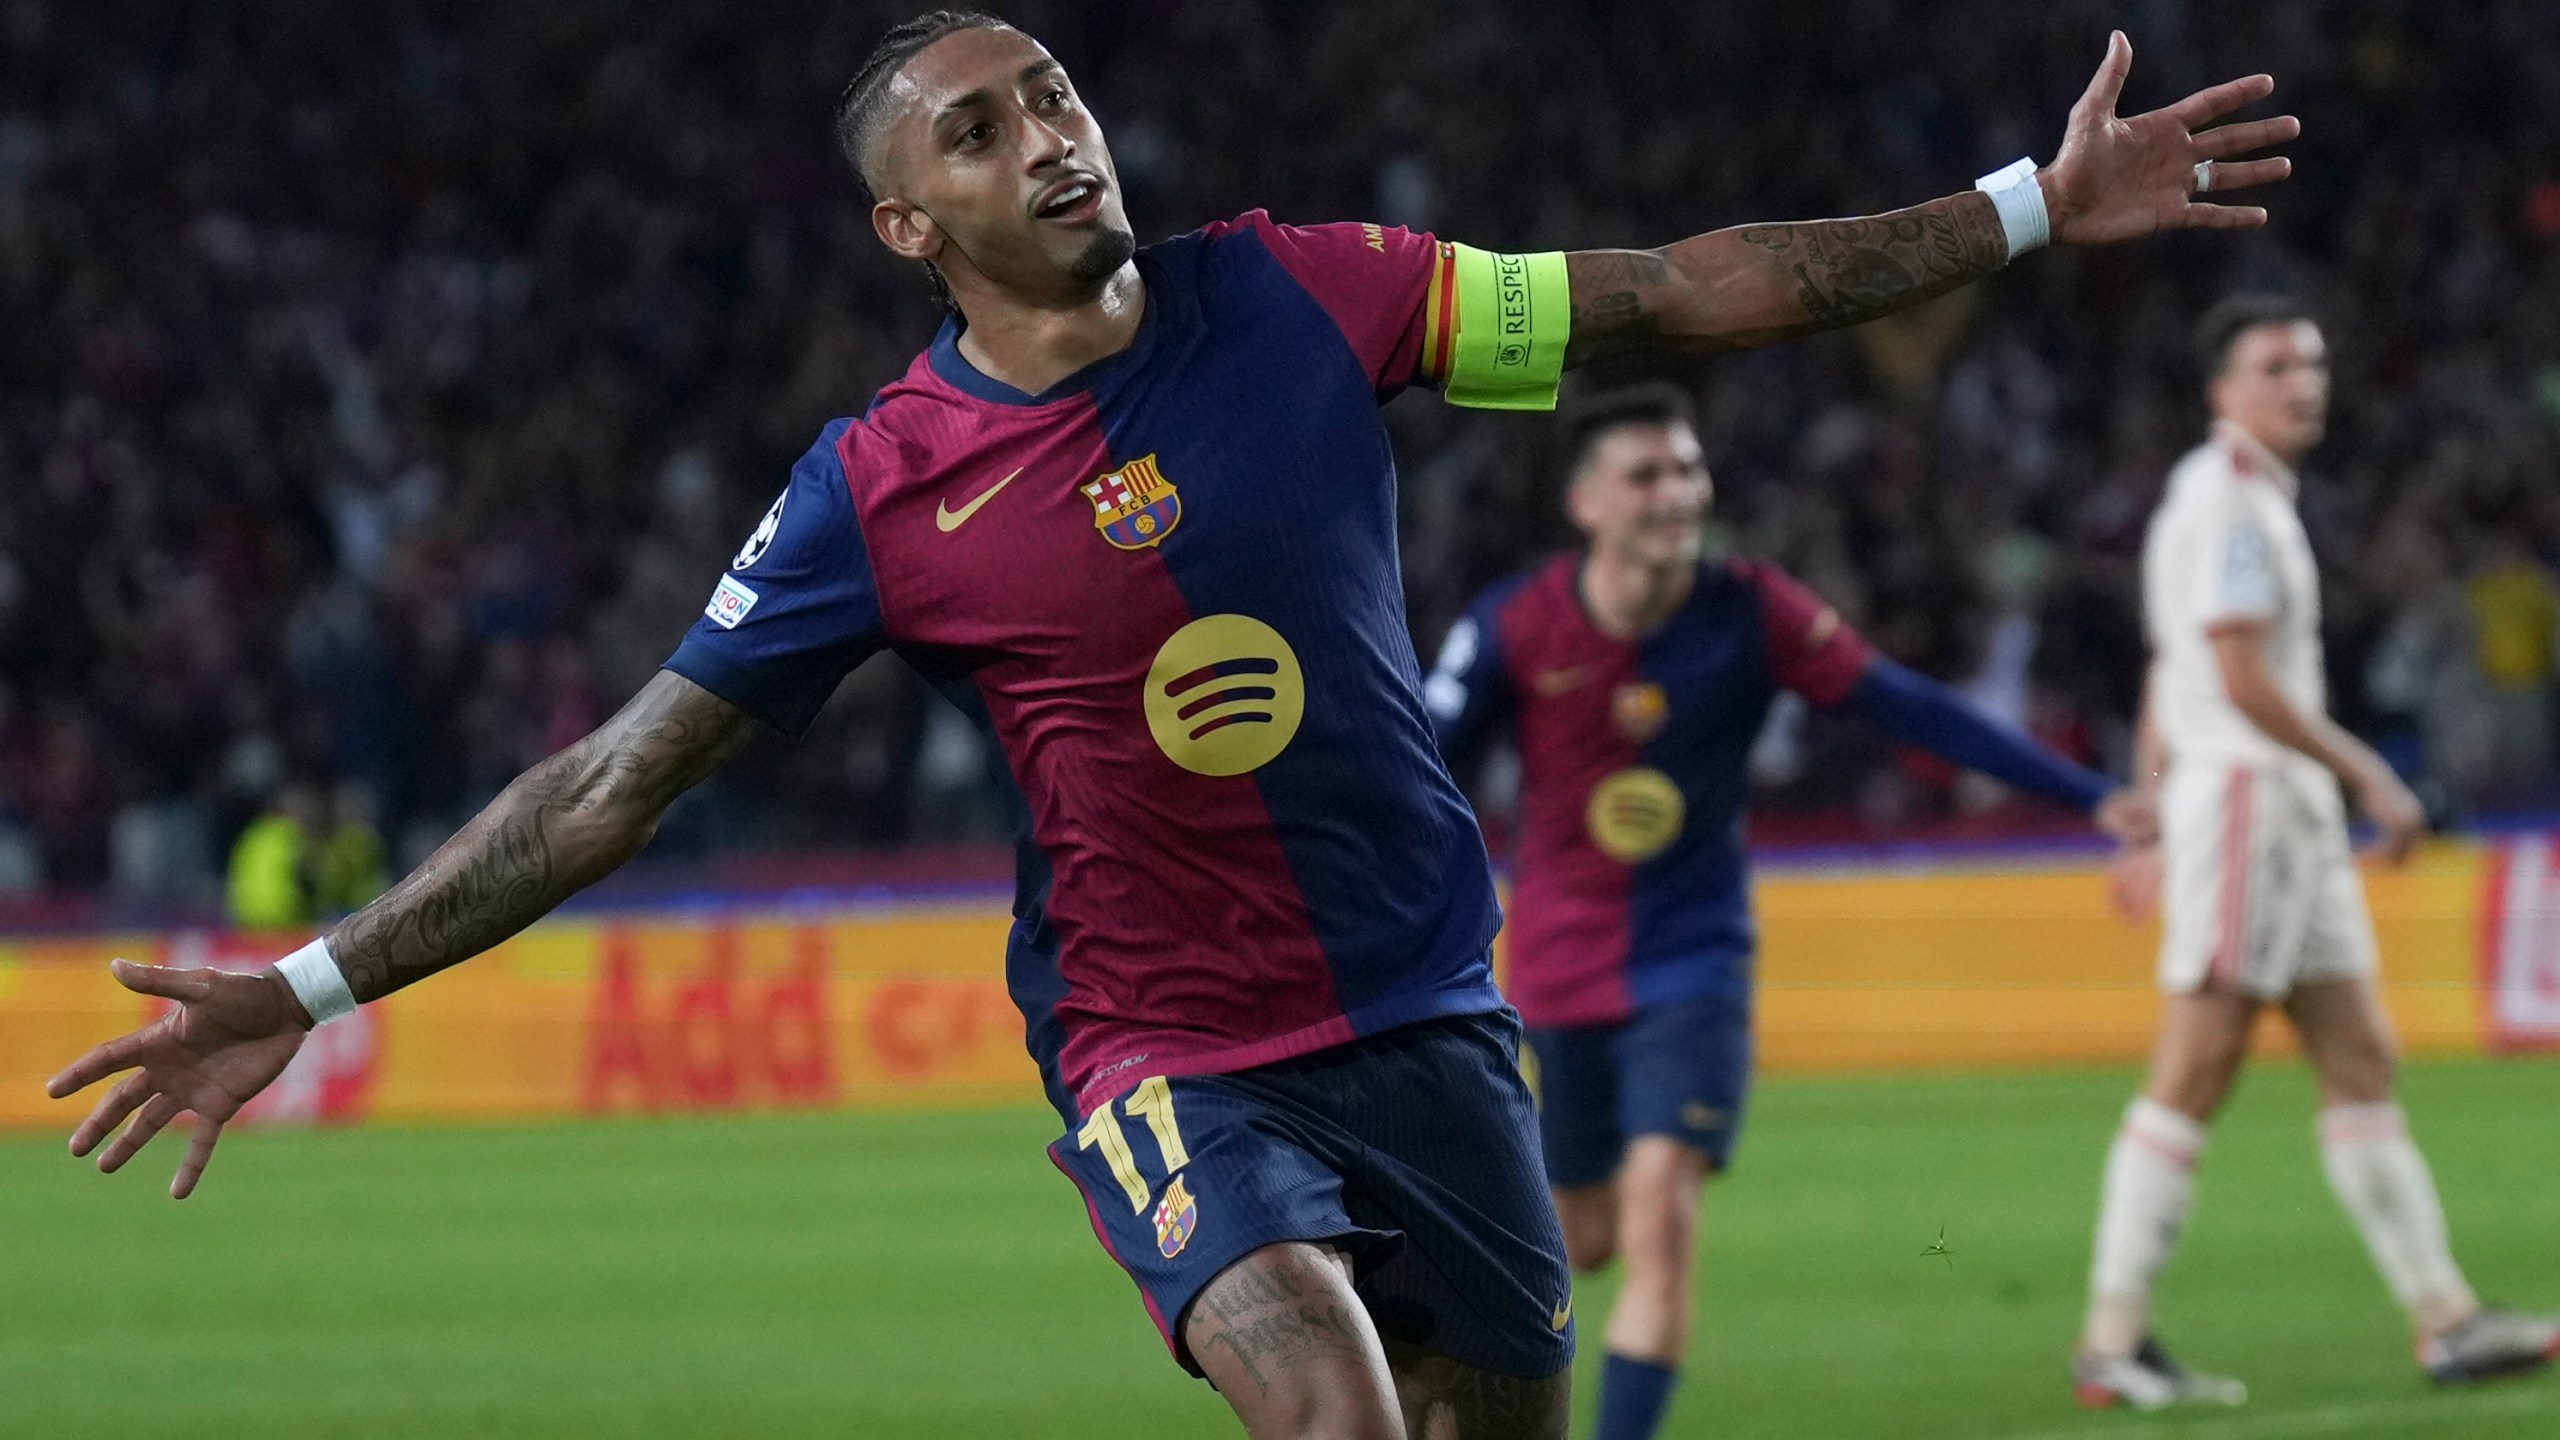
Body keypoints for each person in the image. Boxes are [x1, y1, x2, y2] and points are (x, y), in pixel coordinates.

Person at [46, 12, 2298, 1437]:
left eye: (1050, 92)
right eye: (976, 124)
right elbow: (617, 775)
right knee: (1325, 1409)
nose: (1044, 134)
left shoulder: (1309, 297)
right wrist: (314, 984)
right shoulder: (881, 488)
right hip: (1160, 1047)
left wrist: (2018, 207)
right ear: (897, 216)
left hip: (1425, 1004)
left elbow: (1672, 298)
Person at [1426, 383, 2154, 1440]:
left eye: (1687, 471)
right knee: (1582, 1239)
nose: (1675, 494)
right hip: (1557, 968)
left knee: (1663, 1210)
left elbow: (1904, 703)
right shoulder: (1514, 625)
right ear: (1586, 502)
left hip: (1697, 961)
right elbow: (1421, 771)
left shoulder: (1751, 609)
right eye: (1646, 476)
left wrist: (2090, 794)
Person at [2073, 295, 2560, 1409]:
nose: (2305, 381)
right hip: (2252, 802)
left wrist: (2148, 805)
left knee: (2360, 1054)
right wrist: (2371, 774)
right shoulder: (2232, 507)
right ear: (2221, 391)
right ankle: (2110, 1340)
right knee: (2196, 1066)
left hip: (2273, 811)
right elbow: (2236, 679)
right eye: (2275, 364)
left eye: (2314, 363)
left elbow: (2170, 668)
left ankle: (2446, 1321)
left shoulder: (2232, 502)